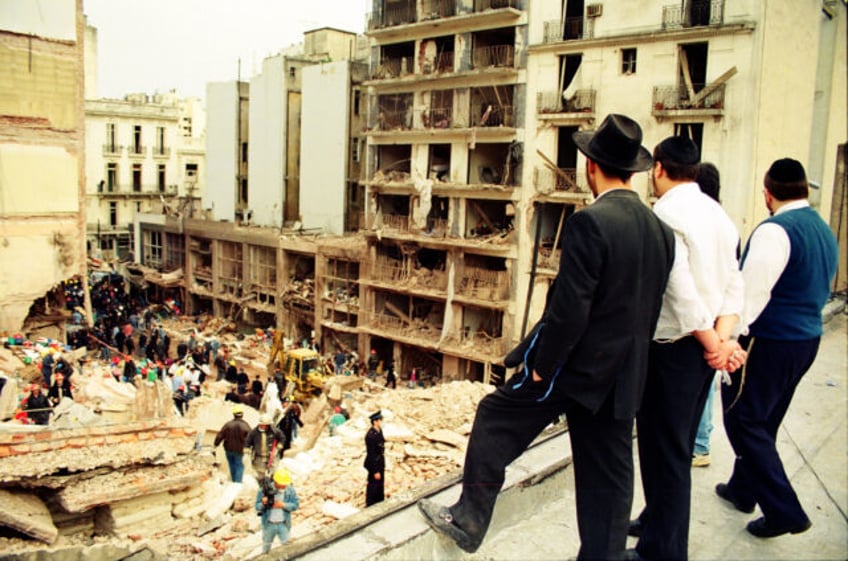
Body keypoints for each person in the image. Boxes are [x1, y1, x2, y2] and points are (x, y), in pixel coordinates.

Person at [418, 114, 675, 558]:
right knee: (610, 480)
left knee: (496, 415)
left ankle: (469, 518)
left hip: (577, 371)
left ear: (591, 167)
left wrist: (541, 367)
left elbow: (571, 309)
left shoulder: (591, 223)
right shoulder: (661, 231)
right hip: (624, 379)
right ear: (632, 169)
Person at [630, 137, 745, 561]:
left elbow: (680, 291)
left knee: (666, 453)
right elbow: (735, 282)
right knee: (672, 447)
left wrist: (714, 342)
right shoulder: (718, 214)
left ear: (658, 168)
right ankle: (657, 523)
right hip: (702, 349)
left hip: (676, 348)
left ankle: (662, 551)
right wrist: (724, 339)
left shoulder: (666, 213)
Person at [717, 158, 838, 538]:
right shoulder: (822, 228)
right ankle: (743, 488)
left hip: (771, 341)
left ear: (767, 193)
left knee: (744, 419)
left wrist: (729, 342)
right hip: (806, 339)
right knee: (765, 418)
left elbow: (750, 293)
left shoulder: (775, 231)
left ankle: (784, 510)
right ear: (805, 190)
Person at [692, 162, 725, 468]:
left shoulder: (698, 222)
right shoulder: (725, 222)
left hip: (699, 322)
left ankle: (699, 445)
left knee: (698, 387)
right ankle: (702, 442)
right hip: (716, 320)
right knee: (706, 383)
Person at [255, 466, 299, 554]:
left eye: (285, 484)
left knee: (287, 547)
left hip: (283, 524)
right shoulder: (264, 490)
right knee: (266, 547)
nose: (284, 486)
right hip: (269, 524)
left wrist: (283, 505)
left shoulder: (290, 490)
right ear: (276, 482)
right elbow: (257, 506)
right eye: (282, 483)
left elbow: (295, 505)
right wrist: (263, 503)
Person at [214, 405, 251, 483]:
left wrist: (216, 444)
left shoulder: (228, 425)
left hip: (229, 449)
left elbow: (220, 435)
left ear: (233, 414)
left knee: (232, 465)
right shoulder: (246, 426)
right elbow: (250, 438)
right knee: (239, 466)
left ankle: (234, 480)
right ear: (242, 414)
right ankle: (237, 484)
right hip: (240, 450)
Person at [364, 410, 386, 507]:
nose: (382, 422)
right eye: (380, 420)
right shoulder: (370, 436)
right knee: (373, 484)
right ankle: (370, 503)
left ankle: (379, 501)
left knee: (380, 483)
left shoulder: (379, 431)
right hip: (374, 464)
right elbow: (371, 454)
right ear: (375, 421)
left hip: (380, 461)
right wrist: (375, 471)